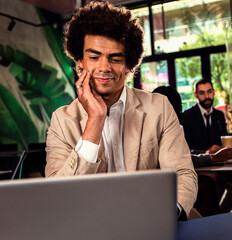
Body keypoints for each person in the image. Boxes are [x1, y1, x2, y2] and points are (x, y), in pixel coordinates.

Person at [45, 1, 197, 219]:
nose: (105, 67)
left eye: (115, 59)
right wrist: (95, 121)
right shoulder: (62, 120)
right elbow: (57, 196)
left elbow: (182, 174)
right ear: (80, 61)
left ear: (129, 65)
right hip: (90, 224)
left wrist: (167, 214)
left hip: (151, 220)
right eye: (94, 57)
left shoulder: (159, 107)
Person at [152, 85, 232, 216]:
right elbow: (180, 157)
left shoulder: (217, 115)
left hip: (171, 175)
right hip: (160, 180)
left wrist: (209, 154)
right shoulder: (165, 124)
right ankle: (212, 225)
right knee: (207, 184)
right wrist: (211, 157)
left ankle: (215, 221)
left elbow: (183, 152)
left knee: (224, 181)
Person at [182, 79, 232, 215]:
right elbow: (185, 148)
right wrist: (206, 152)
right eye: (202, 93)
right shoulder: (187, 116)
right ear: (196, 95)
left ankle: (220, 213)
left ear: (214, 92)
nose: (207, 96)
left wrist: (225, 149)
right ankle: (211, 215)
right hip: (201, 166)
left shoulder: (219, 115)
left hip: (220, 165)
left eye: (209, 92)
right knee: (217, 180)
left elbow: (224, 138)